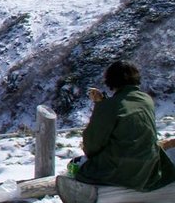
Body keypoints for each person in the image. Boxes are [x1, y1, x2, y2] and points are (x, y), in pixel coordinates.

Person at [75, 60, 175, 190]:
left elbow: (92, 144)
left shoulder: (109, 106)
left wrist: (101, 105)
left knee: (77, 167)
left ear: (110, 80)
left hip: (121, 170)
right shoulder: (146, 100)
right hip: (150, 168)